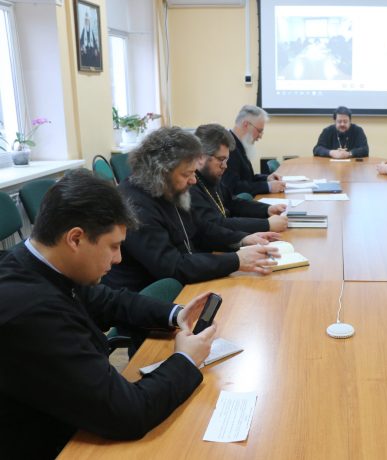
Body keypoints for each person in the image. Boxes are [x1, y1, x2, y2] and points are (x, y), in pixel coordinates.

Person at [0, 169, 217, 459]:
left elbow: (109, 301)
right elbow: (129, 412)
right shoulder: (31, 311)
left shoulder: (39, 262)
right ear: (75, 239)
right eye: (113, 246)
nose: (118, 258)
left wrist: (178, 315)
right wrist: (186, 359)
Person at [103, 127, 278, 292]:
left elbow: (201, 229)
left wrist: (242, 240)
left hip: (186, 281)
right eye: (187, 174)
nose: (194, 180)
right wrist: (236, 260)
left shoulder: (167, 188)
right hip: (153, 296)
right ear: (161, 172)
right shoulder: (136, 206)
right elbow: (172, 266)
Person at [193, 123, 288, 234]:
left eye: (226, 160)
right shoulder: (191, 185)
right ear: (201, 156)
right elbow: (216, 224)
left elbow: (233, 203)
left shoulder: (210, 177)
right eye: (221, 159)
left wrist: (267, 209)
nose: (225, 166)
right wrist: (266, 225)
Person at [220, 105, 285, 197]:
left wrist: (267, 178)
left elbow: (248, 179)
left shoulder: (239, 144)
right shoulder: (229, 148)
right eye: (259, 130)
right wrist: (268, 187)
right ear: (246, 124)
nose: (260, 136)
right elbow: (233, 187)